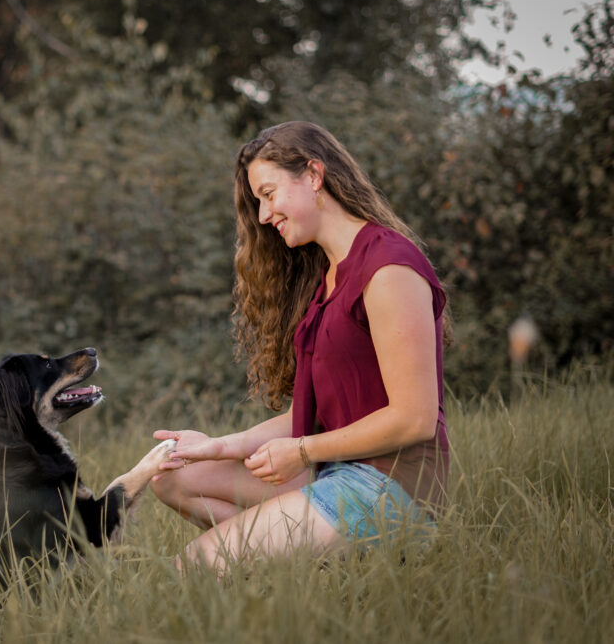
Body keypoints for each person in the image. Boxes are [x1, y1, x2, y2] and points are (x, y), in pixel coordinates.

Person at [152, 121, 451, 572]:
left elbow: (415, 418)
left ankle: (264, 561)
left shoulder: (388, 267)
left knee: (191, 569)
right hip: (335, 472)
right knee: (175, 478)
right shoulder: (327, 280)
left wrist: (303, 451)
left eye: (268, 194)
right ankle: (298, 571)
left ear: (313, 175)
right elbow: (307, 417)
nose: (263, 215)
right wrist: (217, 446)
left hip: (392, 488)